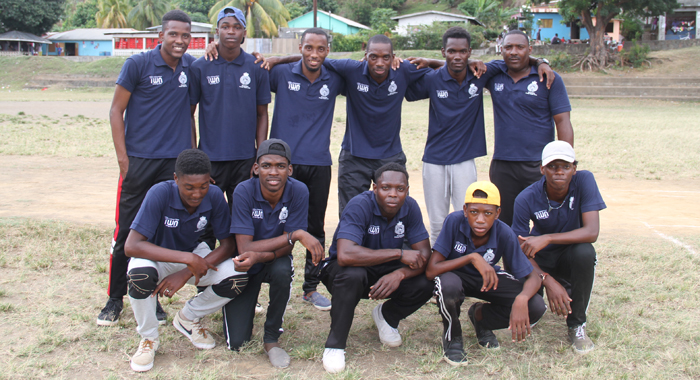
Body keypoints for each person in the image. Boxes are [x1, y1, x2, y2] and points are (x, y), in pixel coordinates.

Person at [405, 27, 554, 244]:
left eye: (463, 52)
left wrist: (541, 61)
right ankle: (437, 270)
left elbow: (515, 58)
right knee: (437, 222)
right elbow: (408, 87)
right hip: (434, 160)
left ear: (470, 52)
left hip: (465, 160)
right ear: (443, 52)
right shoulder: (432, 79)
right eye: (451, 51)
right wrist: (428, 62)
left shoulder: (480, 75)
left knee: (468, 217)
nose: (457, 56)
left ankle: (465, 266)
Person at [255, 35, 432, 215]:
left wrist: (431, 60)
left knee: (395, 213)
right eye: (373, 57)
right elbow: (315, 57)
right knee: (350, 214)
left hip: (390, 155)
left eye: (386, 57)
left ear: (393, 57)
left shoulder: (403, 70)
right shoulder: (352, 69)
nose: (379, 62)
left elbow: (448, 68)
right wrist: (277, 59)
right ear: (365, 56)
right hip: (354, 156)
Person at [99, 10, 196, 327]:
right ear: (161, 36)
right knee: (126, 232)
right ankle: (114, 299)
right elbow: (116, 110)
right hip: (138, 163)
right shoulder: (137, 64)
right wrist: (124, 159)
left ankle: (151, 298)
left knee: (161, 234)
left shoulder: (191, 68)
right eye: (174, 34)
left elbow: (190, 111)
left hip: (173, 167)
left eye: (185, 35)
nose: (180, 40)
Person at [124, 149, 248, 372]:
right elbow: (132, 245)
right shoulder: (159, 193)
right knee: (139, 276)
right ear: (175, 179)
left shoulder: (214, 195)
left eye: (203, 186)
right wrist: (188, 259)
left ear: (210, 179)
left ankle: (188, 318)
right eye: (188, 187)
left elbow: (228, 245)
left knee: (236, 276)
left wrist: (186, 271)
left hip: (191, 256)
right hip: (155, 257)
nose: (196, 194)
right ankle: (149, 338)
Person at [320, 163, 434, 373]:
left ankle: (386, 316)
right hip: (345, 272)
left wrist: (400, 273)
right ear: (374, 188)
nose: (393, 194)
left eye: (400, 189)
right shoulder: (360, 205)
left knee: (428, 280)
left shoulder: (410, 207)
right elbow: (345, 255)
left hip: (387, 274)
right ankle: (335, 345)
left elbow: (425, 256)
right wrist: (399, 254)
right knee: (353, 274)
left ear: (407, 190)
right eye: (386, 188)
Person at [223, 139, 324, 368]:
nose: (273, 172)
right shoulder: (243, 191)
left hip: (274, 259)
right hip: (246, 265)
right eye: (267, 165)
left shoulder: (298, 190)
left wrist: (265, 252)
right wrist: (295, 234)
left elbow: (285, 250)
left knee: (282, 269)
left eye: (280, 166)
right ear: (256, 168)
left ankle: (271, 338)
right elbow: (244, 249)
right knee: (237, 343)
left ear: (290, 169)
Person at [426, 181, 546, 366]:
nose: (480, 219)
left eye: (488, 213)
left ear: (497, 213)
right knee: (448, 286)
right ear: (465, 210)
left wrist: (521, 299)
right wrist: (472, 257)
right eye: (474, 212)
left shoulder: (504, 232)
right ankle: (453, 337)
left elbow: (532, 277)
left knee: (535, 305)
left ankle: (481, 318)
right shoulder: (454, 221)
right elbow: (431, 270)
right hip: (454, 276)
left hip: (486, 280)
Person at [268, 28, 345, 311]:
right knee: (275, 224)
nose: (314, 54)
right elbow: (254, 69)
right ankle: (274, 282)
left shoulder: (334, 78)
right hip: (282, 165)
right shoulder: (280, 73)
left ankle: (310, 287)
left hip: (319, 163)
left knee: (315, 227)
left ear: (328, 50)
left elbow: (366, 70)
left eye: (321, 49)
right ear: (299, 47)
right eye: (308, 48)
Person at [512, 141, 606, 354]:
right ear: (542, 169)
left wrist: (547, 237)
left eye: (565, 166)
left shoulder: (584, 180)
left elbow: (592, 232)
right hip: (539, 259)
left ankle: (576, 324)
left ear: (574, 168)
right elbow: (517, 248)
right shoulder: (526, 197)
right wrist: (546, 279)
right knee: (530, 307)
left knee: (585, 252)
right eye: (553, 166)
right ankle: (539, 305)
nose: (559, 172)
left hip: (567, 254)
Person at [189, 6, 271, 249]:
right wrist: (196, 158)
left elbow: (262, 114)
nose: (231, 32)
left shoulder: (256, 66)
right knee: (206, 222)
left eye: (236, 27)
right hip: (210, 160)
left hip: (244, 160)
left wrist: (259, 155)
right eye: (225, 27)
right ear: (217, 32)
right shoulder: (200, 67)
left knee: (242, 221)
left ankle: (239, 279)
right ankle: (205, 281)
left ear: (244, 32)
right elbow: (189, 114)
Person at [486, 30, 573, 226]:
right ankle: (511, 257)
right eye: (508, 47)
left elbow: (562, 121)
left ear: (530, 50)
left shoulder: (548, 78)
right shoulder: (495, 75)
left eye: (520, 47)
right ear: (501, 50)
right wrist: (429, 61)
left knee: (546, 221)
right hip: (503, 164)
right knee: (506, 223)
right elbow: (460, 65)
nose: (514, 52)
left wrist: (566, 160)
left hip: (538, 164)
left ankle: (545, 257)